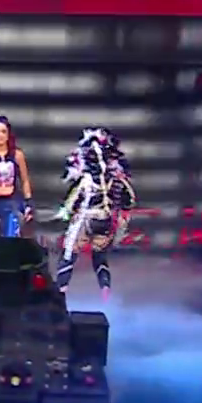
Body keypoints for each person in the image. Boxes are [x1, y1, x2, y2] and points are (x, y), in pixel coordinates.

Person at [53, 127, 135, 298]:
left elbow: (71, 202)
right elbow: (129, 200)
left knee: (68, 255)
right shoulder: (118, 179)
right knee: (99, 256)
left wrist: (65, 212)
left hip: (86, 219)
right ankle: (105, 289)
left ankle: (61, 292)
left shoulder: (86, 180)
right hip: (106, 221)